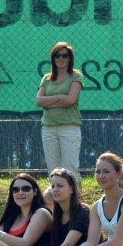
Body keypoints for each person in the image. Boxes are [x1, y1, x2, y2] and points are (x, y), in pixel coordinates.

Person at [37, 42, 83, 177]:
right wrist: (61, 97)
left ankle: (76, 192)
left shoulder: (76, 76)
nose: (61, 58)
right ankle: (56, 192)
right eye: (57, 55)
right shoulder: (46, 78)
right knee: (53, 171)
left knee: (71, 170)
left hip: (69, 128)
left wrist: (48, 102)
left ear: (70, 58)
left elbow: (71, 100)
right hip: (48, 128)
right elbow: (39, 101)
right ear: (53, 58)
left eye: (64, 55)